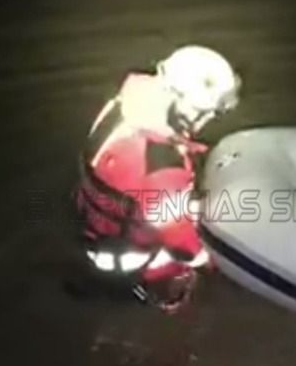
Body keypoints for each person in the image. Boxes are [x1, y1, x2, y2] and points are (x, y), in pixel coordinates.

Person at [72, 45, 240, 311]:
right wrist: (215, 262)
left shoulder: (125, 104)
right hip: (126, 259)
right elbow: (185, 246)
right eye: (207, 112)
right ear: (184, 105)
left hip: (93, 220)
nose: (209, 118)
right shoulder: (163, 170)